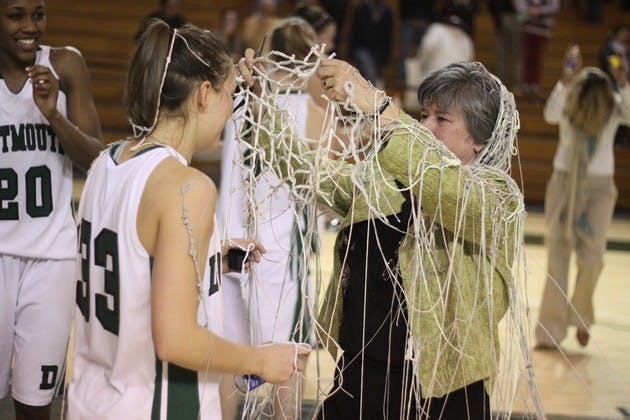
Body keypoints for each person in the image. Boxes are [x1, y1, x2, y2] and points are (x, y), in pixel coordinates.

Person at [240, 42, 530, 417]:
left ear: (480, 140)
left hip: (444, 393)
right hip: (362, 378)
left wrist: (378, 106)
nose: (424, 125)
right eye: (423, 114)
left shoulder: (498, 198)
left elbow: (449, 190)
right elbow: (308, 174)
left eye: (441, 119)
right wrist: (262, 108)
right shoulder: (388, 180)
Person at [66, 21, 310, 419]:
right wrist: (260, 360)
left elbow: (133, 259)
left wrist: (215, 257)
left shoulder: (108, 160)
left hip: (94, 398)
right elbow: (176, 340)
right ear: (202, 95)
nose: (232, 108)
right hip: (155, 403)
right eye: (231, 94)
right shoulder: (188, 187)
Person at [218, 17, 333, 420]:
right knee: (289, 360)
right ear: (308, 59)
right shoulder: (311, 111)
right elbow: (331, 184)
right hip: (281, 253)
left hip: (231, 244)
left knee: (229, 358)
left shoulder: (236, 101)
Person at [0, 0, 103, 418]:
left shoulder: (66, 65)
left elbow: (96, 160)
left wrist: (53, 116)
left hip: (52, 259)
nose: (30, 26)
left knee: (35, 405)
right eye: (16, 15)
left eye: (38, 14)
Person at [535, 46, 630, 350]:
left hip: (599, 187)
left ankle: (582, 317)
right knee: (558, 255)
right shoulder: (569, 105)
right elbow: (550, 113)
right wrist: (566, 76)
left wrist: (623, 80)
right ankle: (550, 329)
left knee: (593, 257)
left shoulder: (613, 107)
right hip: (564, 183)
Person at [516, 0, 560, 96]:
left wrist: (540, 10)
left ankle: (535, 83)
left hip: (543, 30)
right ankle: (526, 82)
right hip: (528, 28)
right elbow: (519, 5)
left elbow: (555, 7)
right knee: (527, 57)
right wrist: (529, 11)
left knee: (538, 57)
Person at [347, 0, 393, 86]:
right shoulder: (361, 8)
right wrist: (350, 52)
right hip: (361, 48)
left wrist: (385, 58)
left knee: (367, 77)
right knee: (370, 75)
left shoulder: (386, 11)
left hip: (378, 52)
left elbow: (388, 36)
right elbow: (354, 31)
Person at [488, 0, 522, 92]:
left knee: (516, 54)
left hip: (515, 17)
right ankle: (501, 84)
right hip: (500, 18)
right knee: (501, 55)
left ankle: (516, 84)